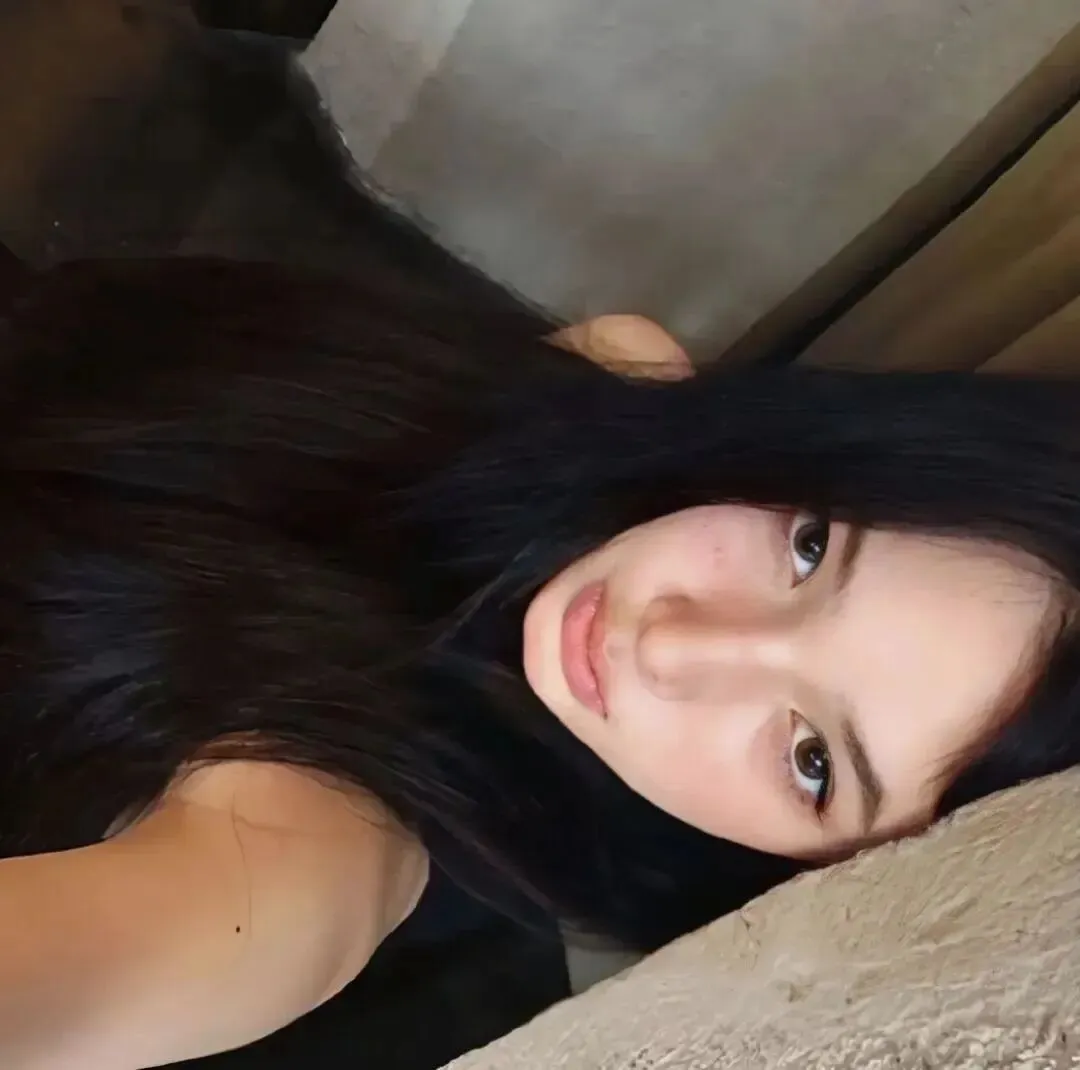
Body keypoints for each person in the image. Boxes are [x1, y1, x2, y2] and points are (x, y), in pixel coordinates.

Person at [0, 255, 1077, 1069]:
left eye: (811, 762)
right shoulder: (603, 379)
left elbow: (171, 944)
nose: (676, 642)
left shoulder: (336, 847)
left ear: (810, 876)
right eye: (810, 548)